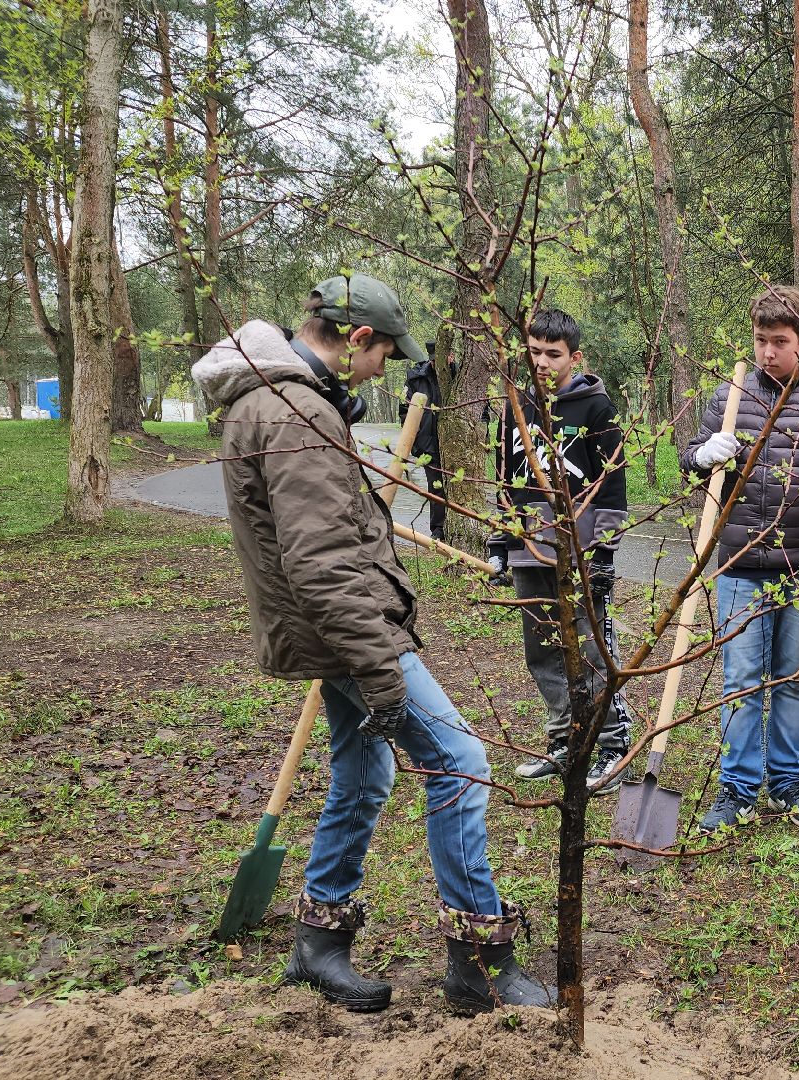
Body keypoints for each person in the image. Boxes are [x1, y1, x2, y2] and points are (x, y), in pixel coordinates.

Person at [191, 272, 550, 1013]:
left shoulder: (282, 400)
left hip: (332, 634)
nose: (385, 366)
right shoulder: (294, 414)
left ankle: (319, 945)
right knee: (459, 763)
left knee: (364, 774)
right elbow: (321, 564)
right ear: (357, 338)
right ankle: (479, 963)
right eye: (383, 351)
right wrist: (382, 671)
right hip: (349, 635)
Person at [680, 284, 799, 833]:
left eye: (780, 341)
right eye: (760, 340)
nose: (768, 352)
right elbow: (688, 464)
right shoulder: (728, 398)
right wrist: (702, 455)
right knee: (741, 679)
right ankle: (738, 789)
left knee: (792, 678)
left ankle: (787, 784)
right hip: (739, 566)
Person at [491, 308, 635, 794]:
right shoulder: (515, 405)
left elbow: (612, 487)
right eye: (534, 353)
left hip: (580, 552)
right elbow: (506, 479)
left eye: (554, 355)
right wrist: (501, 541)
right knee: (543, 652)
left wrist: (604, 554)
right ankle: (565, 740)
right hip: (529, 547)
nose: (543, 363)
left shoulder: (596, 408)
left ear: (575, 357)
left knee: (592, 652)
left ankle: (612, 746)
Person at [400, 343, 449, 540]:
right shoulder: (415, 379)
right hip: (428, 444)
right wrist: (415, 441)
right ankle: (438, 530)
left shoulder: (460, 376)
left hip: (454, 443)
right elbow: (404, 410)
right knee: (436, 486)